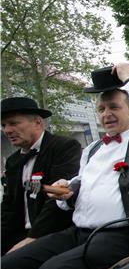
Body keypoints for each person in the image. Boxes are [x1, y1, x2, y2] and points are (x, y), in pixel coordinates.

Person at [1, 62, 129, 269]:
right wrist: (67, 194)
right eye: (101, 109)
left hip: (120, 235)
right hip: (79, 232)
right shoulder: (92, 150)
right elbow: (79, 192)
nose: (106, 114)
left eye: (114, 107)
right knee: (8, 266)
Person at [1, 97, 82, 256]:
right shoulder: (13, 161)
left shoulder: (64, 147)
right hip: (20, 233)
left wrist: (32, 238)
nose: (7, 130)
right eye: (3, 125)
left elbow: (56, 200)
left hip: (54, 233)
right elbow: (9, 206)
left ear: (38, 122)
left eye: (13, 123)